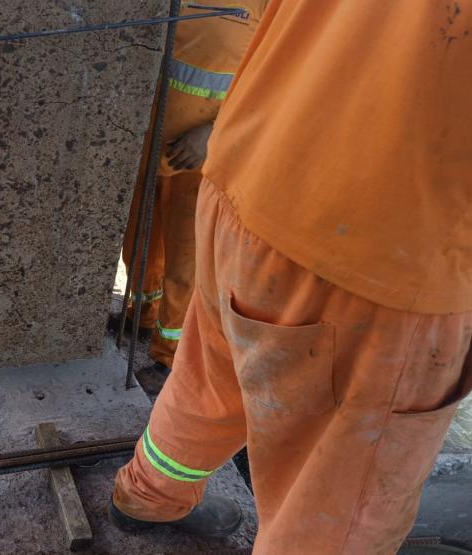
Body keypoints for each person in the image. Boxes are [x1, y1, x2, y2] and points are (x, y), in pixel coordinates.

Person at [111, 1, 472, 553]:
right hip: (384, 256)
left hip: (246, 183)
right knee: (340, 503)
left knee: (212, 381)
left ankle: (147, 497)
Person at [119, 0, 266, 372]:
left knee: (187, 262)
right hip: (147, 142)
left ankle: (170, 356)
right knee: (139, 242)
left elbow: (275, 87)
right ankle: (144, 314)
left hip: (200, 158)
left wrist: (213, 134)